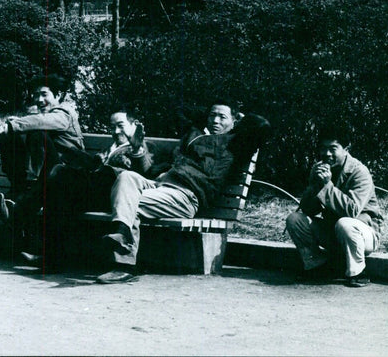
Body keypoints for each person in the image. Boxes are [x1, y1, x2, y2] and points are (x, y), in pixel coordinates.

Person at [97, 101, 270, 284]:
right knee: (126, 177)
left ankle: (124, 265)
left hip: (185, 195)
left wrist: (239, 118)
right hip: (160, 185)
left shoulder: (236, 144)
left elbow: (262, 126)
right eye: (212, 115)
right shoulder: (195, 135)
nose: (215, 120)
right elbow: (179, 110)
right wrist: (209, 112)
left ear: (235, 121)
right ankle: (122, 232)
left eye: (222, 117)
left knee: (130, 203)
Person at [40, 110, 153, 271]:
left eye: (120, 126)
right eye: (112, 127)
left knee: (68, 177)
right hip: (95, 191)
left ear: (135, 125)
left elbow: (147, 172)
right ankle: (52, 257)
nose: (116, 132)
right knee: (60, 180)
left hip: (116, 196)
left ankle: (52, 255)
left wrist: (137, 151)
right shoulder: (111, 147)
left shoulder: (145, 145)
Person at [0, 74, 84, 257]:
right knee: (14, 135)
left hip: (68, 174)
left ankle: (18, 201)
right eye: (36, 95)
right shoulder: (43, 116)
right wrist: (4, 129)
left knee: (35, 133)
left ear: (59, 95)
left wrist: (11, 126)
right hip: (49, 176)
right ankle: (18, 193)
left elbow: (41, 122)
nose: (39, 99)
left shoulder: (64, 114)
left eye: (44, 94)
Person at [286, 124, 382, 288]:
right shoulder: (320, 170)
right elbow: (308, 210)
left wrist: (327, 185)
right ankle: (316, 266)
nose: (327, 154)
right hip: (333, 232)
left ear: (346, 148)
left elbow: (351, 211)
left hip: (362, 234)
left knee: (345, 223)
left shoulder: (359, 172)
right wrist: (314, 185)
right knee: (294, 219)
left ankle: (357, 272)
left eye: (333, 148)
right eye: (323, 148)